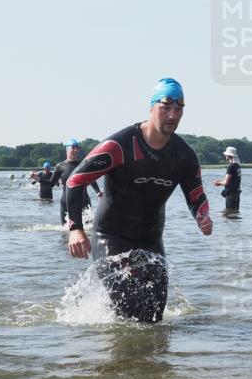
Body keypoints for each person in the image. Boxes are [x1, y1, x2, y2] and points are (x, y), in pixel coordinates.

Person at [66, 77, 213, 322]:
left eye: (178, 109)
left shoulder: (184, 155)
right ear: (152, 107)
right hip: (111, 238)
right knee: (129, 309)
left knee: (154, 316)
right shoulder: (119, 145)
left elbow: (196, 195)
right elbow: (75, 181)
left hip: (151, 241)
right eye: (166, 107)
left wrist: (203, 216)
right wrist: (75, 229)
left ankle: (147, 360)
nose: (172, 115)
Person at [52, 139, 102, 228]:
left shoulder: (82, 165)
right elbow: (50, 184)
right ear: (67, 149)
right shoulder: (60, 167)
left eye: (78, 148)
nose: (76, 150)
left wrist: (98, 192)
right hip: (66, 203)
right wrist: (38, 179)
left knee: (88, 229)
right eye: (73, 147)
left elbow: (91, 180)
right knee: (66, 231)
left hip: (84, 201)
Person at [214, 146, 242, 213]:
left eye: (226, 154)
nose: (225, 155)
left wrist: (218, 182)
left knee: (229, 213)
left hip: (231, 194)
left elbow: (226, 182)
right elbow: (233, 180)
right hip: (237, 193)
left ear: (229, 156)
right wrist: (221, 182)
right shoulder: (237, 166)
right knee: (235, 212)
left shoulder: (231, 167)